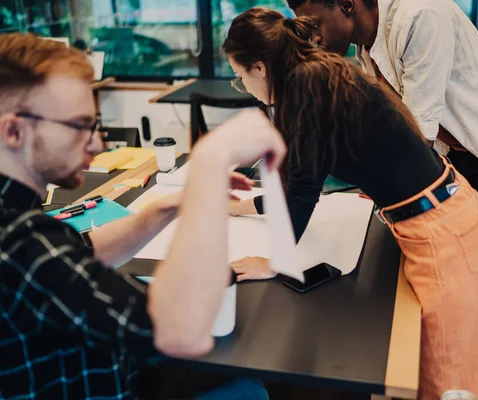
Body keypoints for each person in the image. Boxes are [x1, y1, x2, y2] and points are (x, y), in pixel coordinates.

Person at [223, 8, 478, 399]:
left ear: (259, 68)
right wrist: (239, 207)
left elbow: (302, 191)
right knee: (435, 372)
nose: (244, 85)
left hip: (442, 233)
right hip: (442, 216)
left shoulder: (306, 91)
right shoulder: (317, 73)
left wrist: (274, 262)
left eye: (240, 76)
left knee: (450, 383)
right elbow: (301, 185)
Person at [0, 33, 286, 399]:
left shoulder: (23, 230)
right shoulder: (24, 245)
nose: (97, 144)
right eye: (78, 126)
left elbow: (80, 249)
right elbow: (180, 329)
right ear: (13, 130)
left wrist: (170, 205)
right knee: (250, 393)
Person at [289, 0, 478, 384]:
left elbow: (416, 132)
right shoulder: (367, 44)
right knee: (471, 254)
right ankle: (469, 346)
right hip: (464, 145)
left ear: (345, 5)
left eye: (313, 23)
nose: (311, 36)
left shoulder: (420, 15)